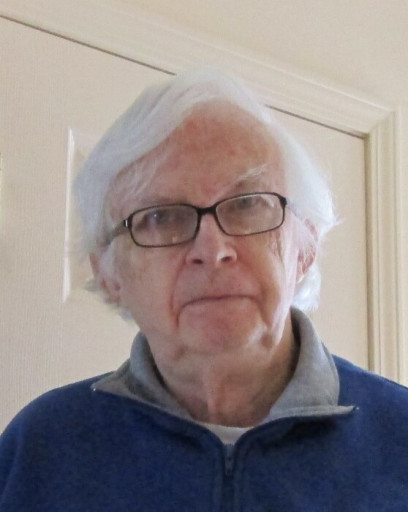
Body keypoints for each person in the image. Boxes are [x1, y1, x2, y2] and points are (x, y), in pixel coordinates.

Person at [1, 68, 407, 512]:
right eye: (160, 217)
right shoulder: (40, 450)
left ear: (304, 248)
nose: (213, 251)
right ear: (109, 274)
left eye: (248, 204)